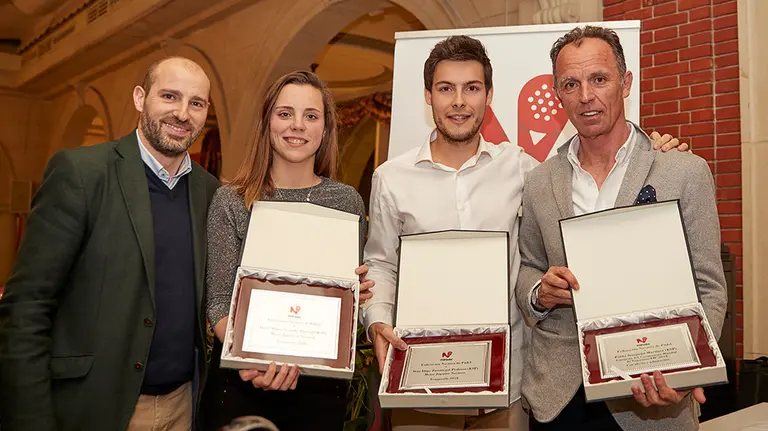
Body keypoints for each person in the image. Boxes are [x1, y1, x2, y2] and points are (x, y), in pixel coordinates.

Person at [361, 35, 687, 431]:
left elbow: (593, 177)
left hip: (509, 388)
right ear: (428, 96)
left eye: (472, 88)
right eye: (446, 88)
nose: (459, 101)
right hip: (421, 387)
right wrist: (377, 321)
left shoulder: (525, 170)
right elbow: (380, 263)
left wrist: (653, 151)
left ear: (489, 95)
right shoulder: (391, 178)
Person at [515, 25, 728, 430]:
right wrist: (539, 292)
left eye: (599, 79)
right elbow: (528, 266)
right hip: (559, 397)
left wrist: (687, 372)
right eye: (570, 84)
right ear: (558, 94)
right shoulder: (539, 181)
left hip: (651, 393)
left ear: (625, 82)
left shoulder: (683, 171)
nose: (585, 96)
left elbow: (709, 287)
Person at [0, 56, 220, 431]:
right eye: (170, 96)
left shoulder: (210, 191)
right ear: (140, 98)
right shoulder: (82, 174)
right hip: (94, 407)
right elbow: (26, 309)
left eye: (196, 103)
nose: (182, 113)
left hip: (183, 407)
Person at [201, 70, 373, 431]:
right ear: (267, 123)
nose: (297, 125)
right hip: (243, 379)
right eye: (285, 114)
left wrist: (358, 296)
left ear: (325, 130)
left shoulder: (346, 202)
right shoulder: (230, 201)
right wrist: (256, 360)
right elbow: (217, 302)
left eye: (310, 116)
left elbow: (340, 303)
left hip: (319, 389)